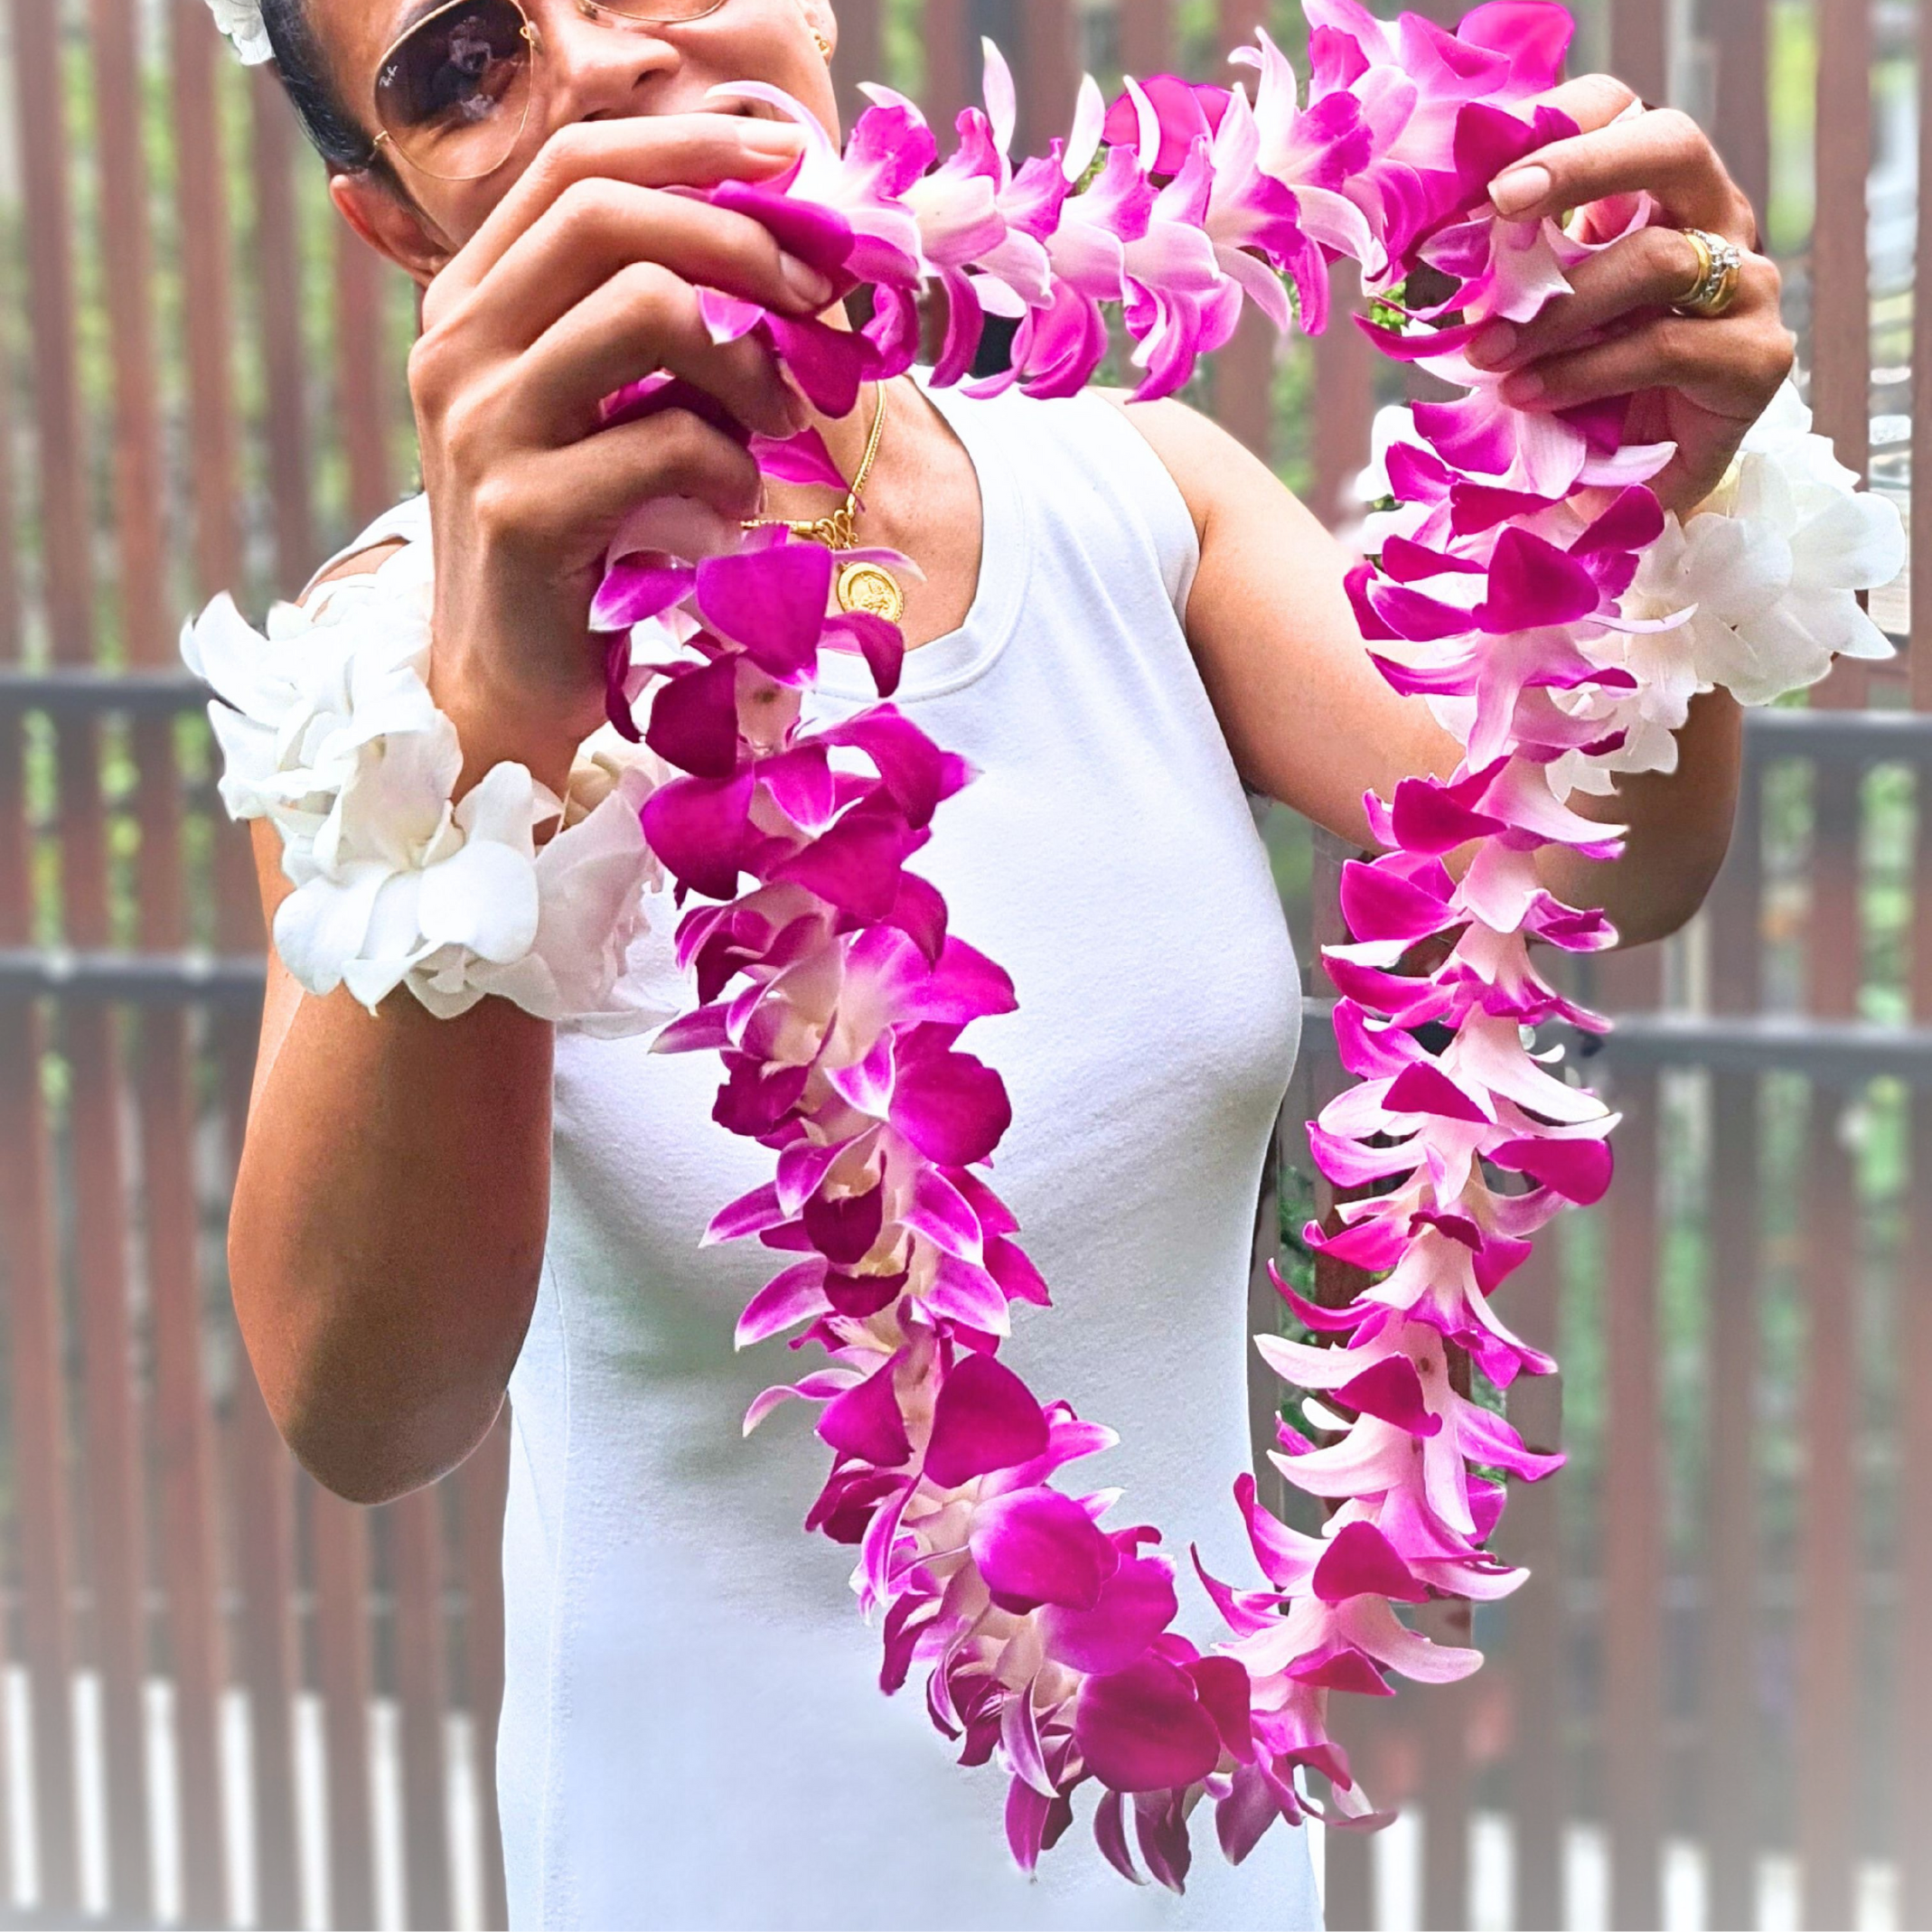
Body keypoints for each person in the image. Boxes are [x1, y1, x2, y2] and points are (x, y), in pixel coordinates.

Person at [223, 0, 1791, 1924]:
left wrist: (1647, 480)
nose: (609, 59)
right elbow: (369, 1413)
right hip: (704, 1866)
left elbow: (1603, 861)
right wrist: (493, 714)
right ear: (401, 230)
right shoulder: (394, 681)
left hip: (1195, 1858)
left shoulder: (1143, 499)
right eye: (465, 61)